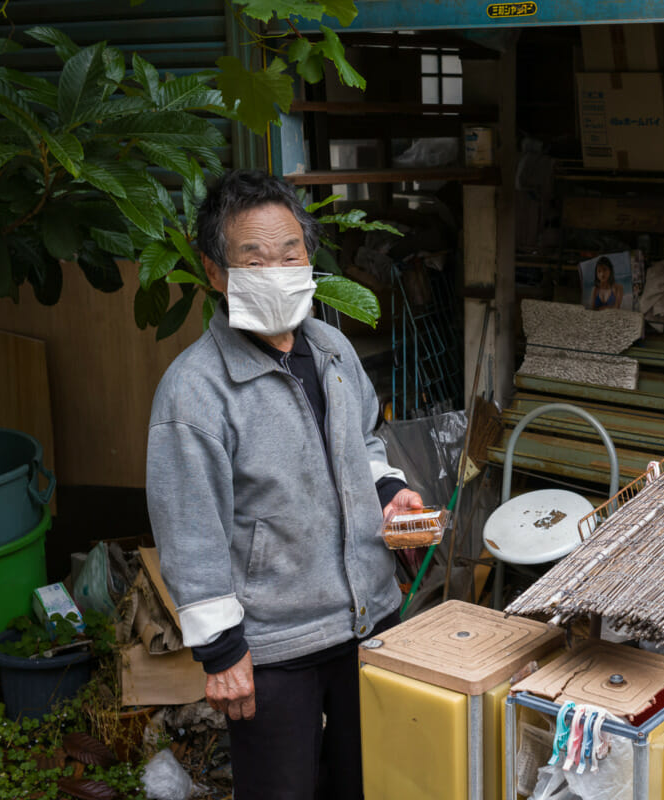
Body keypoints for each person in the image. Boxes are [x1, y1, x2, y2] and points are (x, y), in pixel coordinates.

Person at [146, 170, 423, 800]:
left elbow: (364, 445)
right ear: (215, 272)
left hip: (367, 620)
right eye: (254, 257)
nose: (277, 268)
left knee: (369, 783)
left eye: (291, 252)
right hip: (274, 647)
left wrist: (388, 496)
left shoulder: (331, 348)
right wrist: (220, 652)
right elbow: (190, 530)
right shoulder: (195, 392)